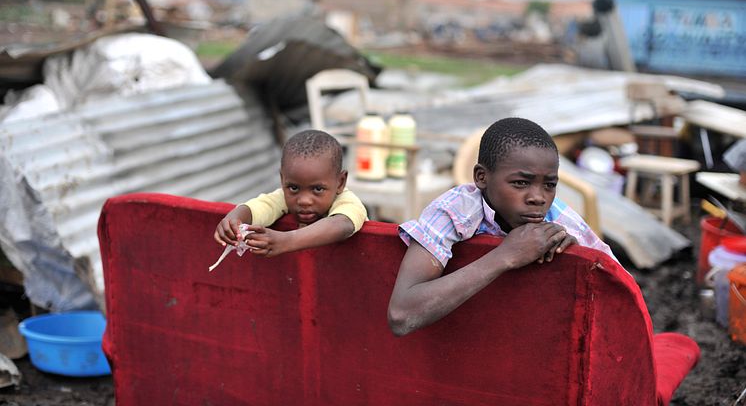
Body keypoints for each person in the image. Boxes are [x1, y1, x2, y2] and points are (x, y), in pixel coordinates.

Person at [387, 117, 618, 336]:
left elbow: (617, 291)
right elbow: (401, 315)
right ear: (481, 177)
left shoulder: (559, 219)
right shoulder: (455, 211)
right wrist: (504, 256)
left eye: (549, 185)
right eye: (520, 183)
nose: (538, 198)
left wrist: (577, 259)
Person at [214, 129, 367, 257]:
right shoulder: (284, 197)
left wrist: (286, 241)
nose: (304, 200)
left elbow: (342, 224)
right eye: (294, 188)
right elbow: (262, 206)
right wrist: (234, 218)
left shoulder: (348, 201)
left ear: (340, 182)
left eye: (318, 189)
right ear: (282, 180)